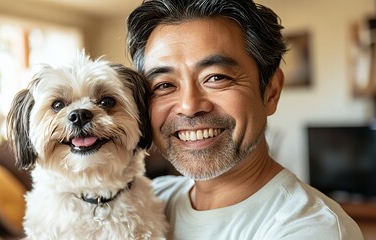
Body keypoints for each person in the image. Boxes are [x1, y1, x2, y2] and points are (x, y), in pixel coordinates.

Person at [126, 0, 364, 239]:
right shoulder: (144, 202)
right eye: (164, 85)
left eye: (216, 77)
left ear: (271, 91)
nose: (189, 107)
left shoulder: (312, 227)